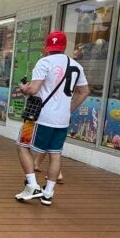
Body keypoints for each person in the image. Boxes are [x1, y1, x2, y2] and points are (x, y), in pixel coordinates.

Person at [15, 31, 89, 206]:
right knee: (55, 154)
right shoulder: (77, 65)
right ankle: (48, 193)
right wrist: (69, 109)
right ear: (64, 47)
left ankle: (32, 185)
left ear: (47, 47)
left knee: (22, 146)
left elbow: (33, 90)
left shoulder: (44, 62)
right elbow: (84, 91)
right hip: (62, 120)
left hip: (38, 117)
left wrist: (24, 88)